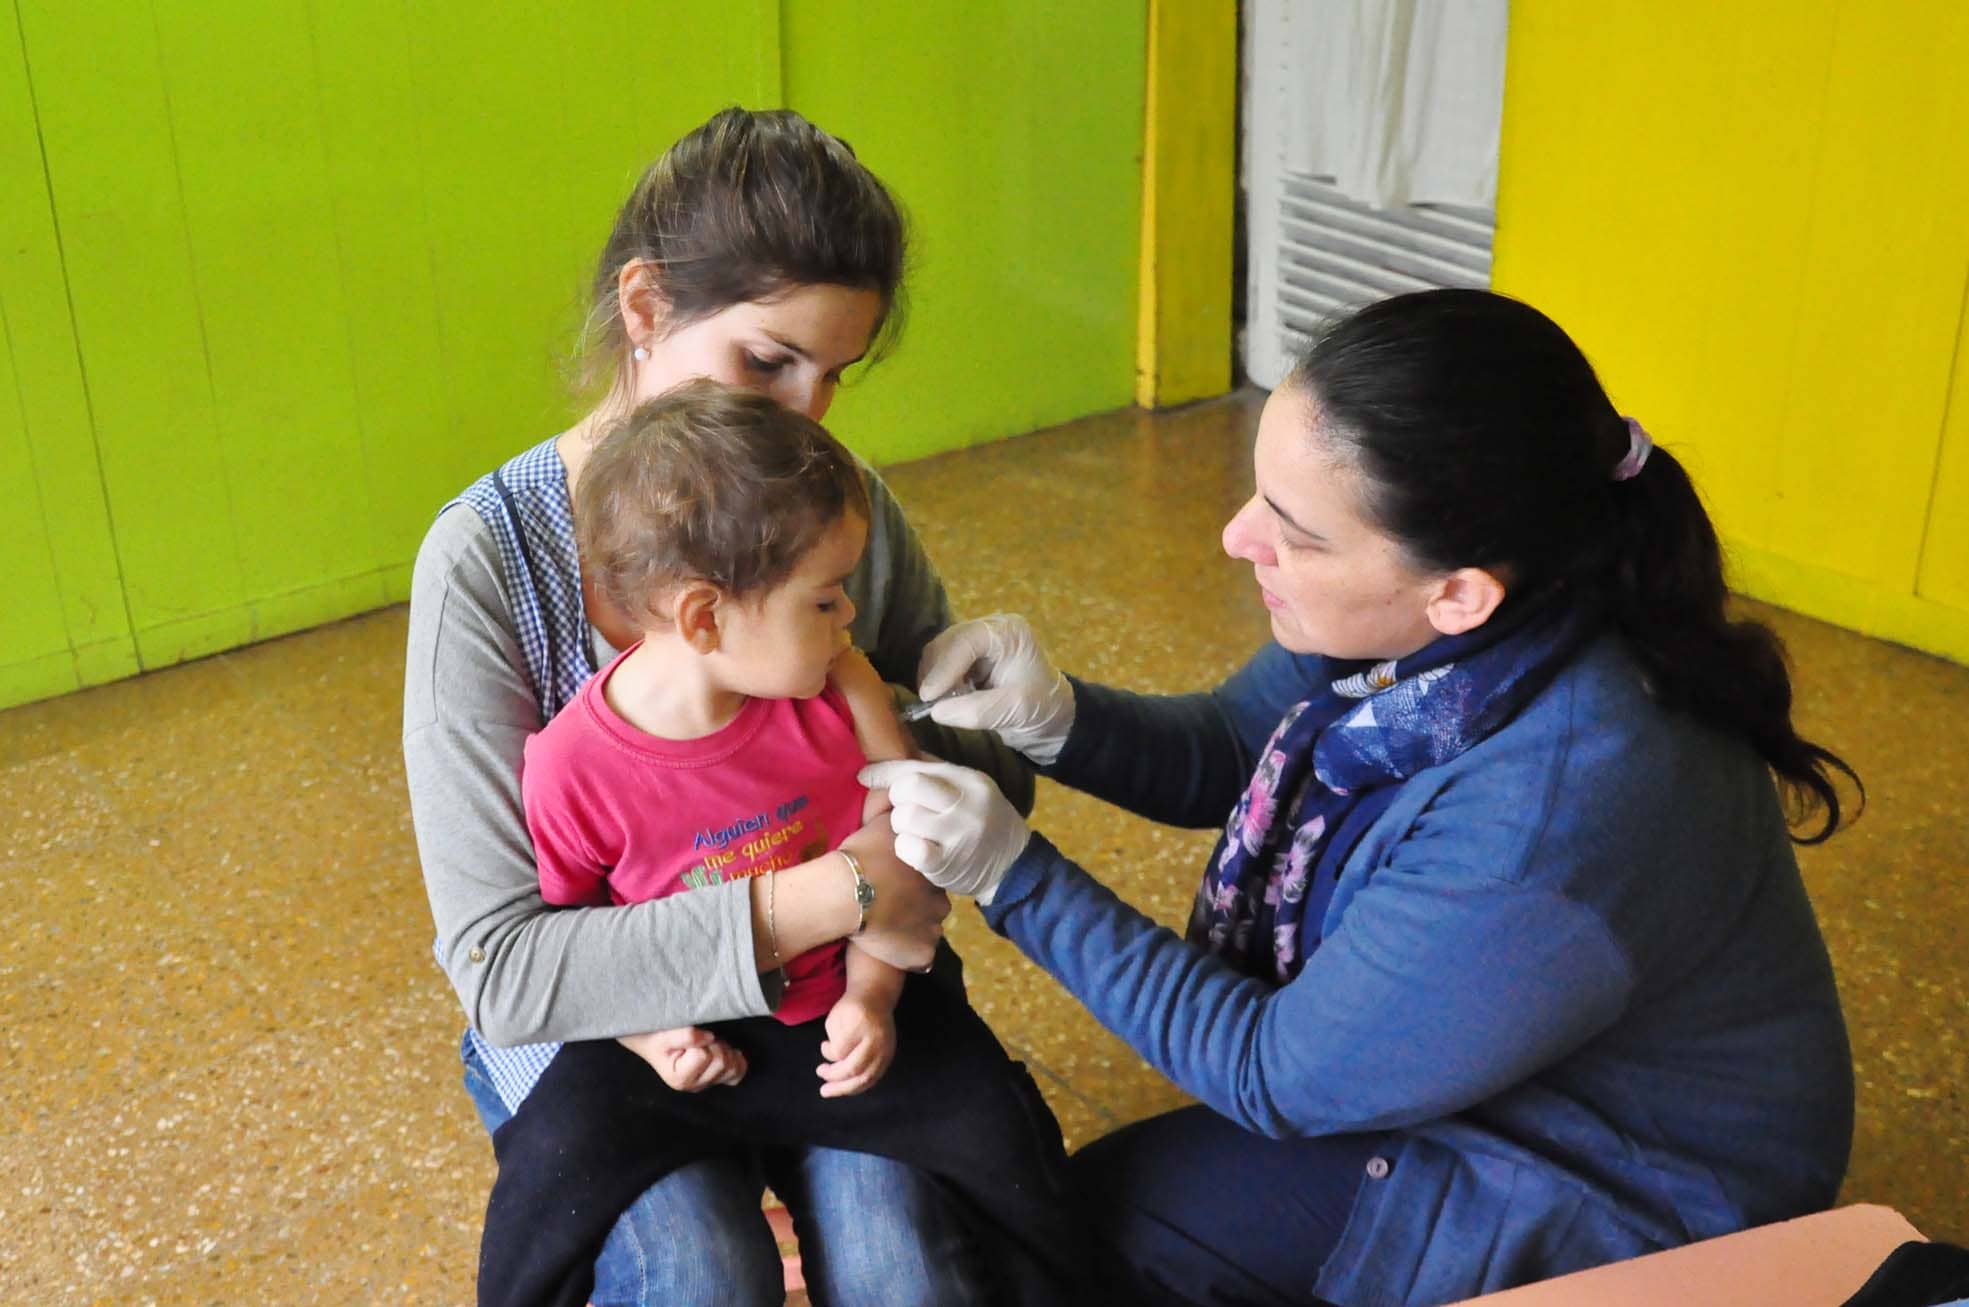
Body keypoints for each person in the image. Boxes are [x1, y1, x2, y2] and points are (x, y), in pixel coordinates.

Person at [865, 289, 1861, 1306]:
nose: (1233, 536)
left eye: (1294, 532)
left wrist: (1016, 877)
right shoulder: (1470, 615)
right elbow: (1228, 747)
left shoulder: (1547, 812)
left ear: (1459, 589)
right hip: (1510, 1054)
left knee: (1091, 1235)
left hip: (1632, 1188)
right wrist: (1058, 715)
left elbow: (1273, 1071)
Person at [403, 106, 1034, 1307]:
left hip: (845, 995)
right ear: (644, 309)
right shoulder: (485, 555)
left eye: (835, 373)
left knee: (904, 1254)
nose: (805, 414)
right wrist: (835, 886)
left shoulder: (836, 501)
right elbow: (506, 971)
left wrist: (985, 728)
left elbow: (983, 804)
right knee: (699, 1270)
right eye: (766, 360)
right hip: (612, 1031)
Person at [475, 383, 1082, 1307]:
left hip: (843, 1019)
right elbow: (572, 940)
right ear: (703, 618)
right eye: (827, 598)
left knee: (947, 1228)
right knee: (575, 1220)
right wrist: (650, 1037)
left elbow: (903, 857)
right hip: (680, 1044)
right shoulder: (567, 766)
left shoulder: (843, 687)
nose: (851, 622)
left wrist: (873, 997)